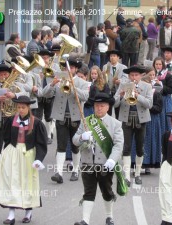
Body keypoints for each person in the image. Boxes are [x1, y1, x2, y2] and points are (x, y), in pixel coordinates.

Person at [73, 92, 123, 225]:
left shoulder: (115, 124)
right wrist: (82, 137)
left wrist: (112, 160)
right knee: (88, 192)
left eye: (102, 105)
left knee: (106, 191)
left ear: (108, 107)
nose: (99, 108)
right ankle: (85, 220)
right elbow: (74, 140)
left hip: (105, 164)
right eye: (96, 106)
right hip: (87, 163)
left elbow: (118, 145)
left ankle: (109, 216)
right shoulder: (86, 121)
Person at [0, 95, 47, 224]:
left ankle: (28, 212)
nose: (20, 110)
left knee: (28, 183)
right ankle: (11, 214)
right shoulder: (10, 120)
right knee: (11, 181)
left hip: (28, 155)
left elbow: (41, 143)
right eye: (18, 107)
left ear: (28, 107)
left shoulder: (36, 123)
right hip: (13, 153)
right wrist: (6, 152)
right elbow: (6, 138)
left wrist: (38, 159)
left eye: (23, 107)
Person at [42, 57, 89, 183]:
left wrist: (72, 87)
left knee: (75, 146)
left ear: (75, 69)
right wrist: (52, 84)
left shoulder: (81, 82)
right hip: (61, 117)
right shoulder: (58, 81)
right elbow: (44, 94)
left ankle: (75, 170)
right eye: (65, 68)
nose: (68, 70)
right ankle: (59, 173)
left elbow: (85, 96)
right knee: (61, 146)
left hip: (76, 118)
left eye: (71, 68)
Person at [0, 64, 28, 183]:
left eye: (6, 74)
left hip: (13, 118)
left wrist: (14, 95)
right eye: (1, 74)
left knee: (11, 146)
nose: (3, 76)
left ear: (9, 74)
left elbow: (26, 96)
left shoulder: (16, 85)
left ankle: (10, 172)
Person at [114, 65, 153, 186]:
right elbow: (114, 104)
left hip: (141, 119)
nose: (134, 77)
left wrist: (137, 96)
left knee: (140, 147)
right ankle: (127, 176)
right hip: (126, 119)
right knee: (126, 147)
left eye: (136, 75)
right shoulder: (123, 85)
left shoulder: (147, 86)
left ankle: (137, 174)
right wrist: (120, 95)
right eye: (131, 75)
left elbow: (149, 104)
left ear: (141, 76)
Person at [153, 56, 172, 133]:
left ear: (163, 65)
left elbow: (171, 89)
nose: (158, 66)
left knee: (166, 122)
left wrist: (161, 85)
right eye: (156, 64)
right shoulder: (152, 75)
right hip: (154, 101)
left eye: (160, 64)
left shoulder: (168, 76)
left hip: (165, 101)